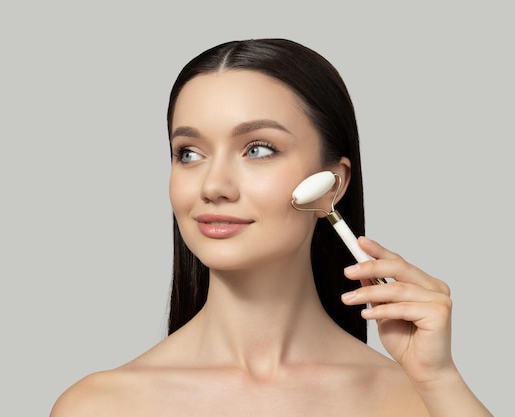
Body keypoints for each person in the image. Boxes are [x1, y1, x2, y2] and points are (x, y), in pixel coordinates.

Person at [49, 38, 492, 416]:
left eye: (257, 149)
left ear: (332, 184)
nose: (214, 185)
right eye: (189, 153)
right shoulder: (101, 405)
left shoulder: (418, 400)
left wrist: (440, 381)